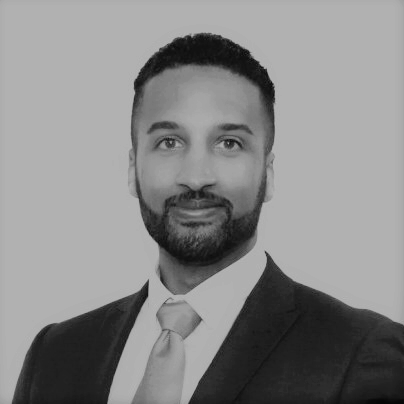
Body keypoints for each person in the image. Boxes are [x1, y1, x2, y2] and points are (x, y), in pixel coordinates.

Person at [12, 33, 404, 404]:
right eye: (169, 142)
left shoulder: (363, 353)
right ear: (133, 169)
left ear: (268, 174)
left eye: (229, 143)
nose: (196, 177)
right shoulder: (55, 354)